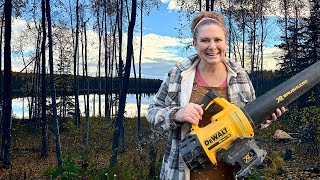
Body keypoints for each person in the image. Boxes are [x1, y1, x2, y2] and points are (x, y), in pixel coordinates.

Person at [147, 11, 285, 180]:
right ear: (195, 43)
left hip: (229, 173)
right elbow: (152, 112)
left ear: (225, 42)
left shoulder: (239, 75)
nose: (212, 46)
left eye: (217, 40)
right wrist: (177, 114)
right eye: (205, 40)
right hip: (182, 172)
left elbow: (248, 122)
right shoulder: (178, 74)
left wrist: (265, 118)